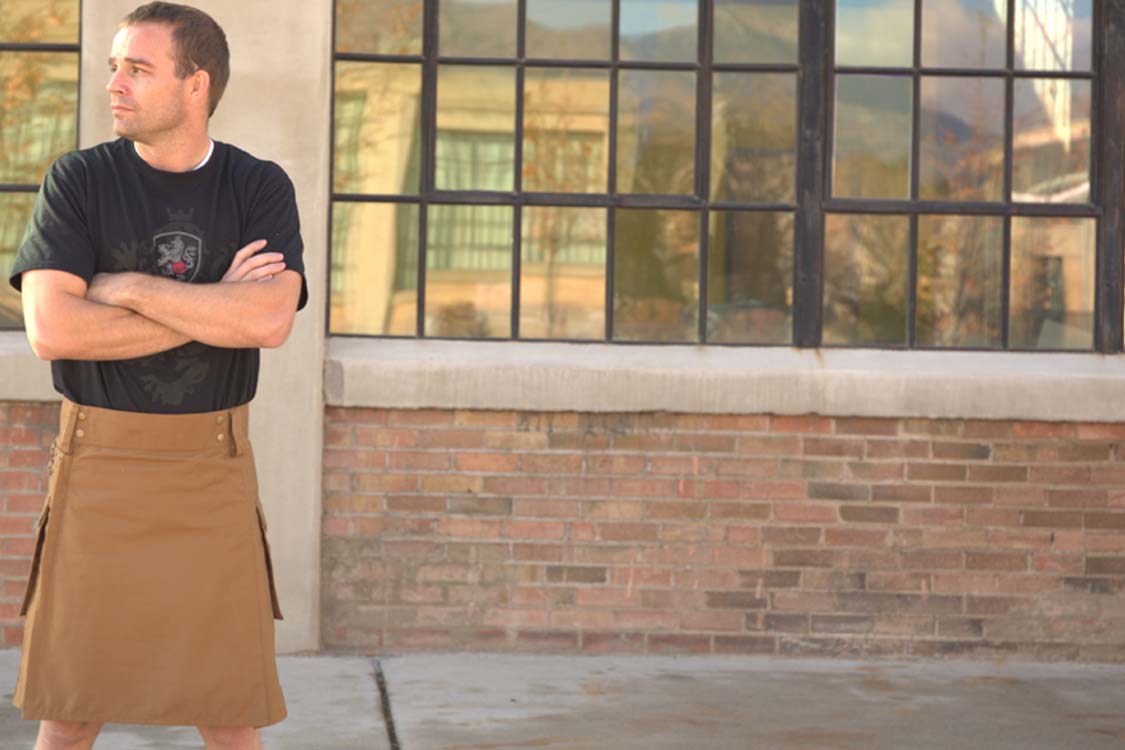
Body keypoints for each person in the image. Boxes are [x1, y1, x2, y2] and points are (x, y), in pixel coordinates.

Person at [7, 3, 307, 749]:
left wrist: (128, 286)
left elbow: (269, 321)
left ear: (196, 83)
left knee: (226, 703)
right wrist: (216, 304)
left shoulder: (257, 186)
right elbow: (54, 331)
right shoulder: (78, 180)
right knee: (72, 707)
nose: (115, 83)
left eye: (137, 68)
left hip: (212, 466)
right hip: (99, 463)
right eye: (114, 66)